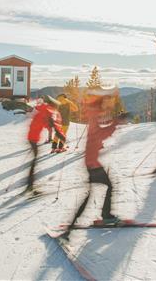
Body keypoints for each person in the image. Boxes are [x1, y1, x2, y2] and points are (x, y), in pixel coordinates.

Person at [62, 88, 127, 239]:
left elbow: (98, 133)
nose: (104, 106)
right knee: (103, 188)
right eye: (103, 103)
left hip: (91, 161)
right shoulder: (94, 115)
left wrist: (113, 121)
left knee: (95, 191)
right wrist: (116, 122)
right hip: (92, 162)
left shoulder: (93, 114)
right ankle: (105, 216)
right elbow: (100, 134)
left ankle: (74, 226)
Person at [26, 96, 65, 194]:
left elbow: (45, 122)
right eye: (56, 107)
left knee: (34, 160)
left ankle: (30, 185)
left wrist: (51, 127)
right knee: (34, 161)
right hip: (33, 138)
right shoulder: (48, 111)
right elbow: (53, 123)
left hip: (32, 137)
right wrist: (61, 135)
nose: (56, 109)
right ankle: (30, 186)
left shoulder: (44, 109)